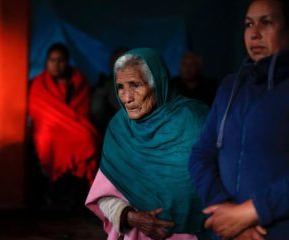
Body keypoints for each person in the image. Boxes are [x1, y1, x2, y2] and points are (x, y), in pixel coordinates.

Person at [189, 0, 289, 239]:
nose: (254, 33)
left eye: (266, 23)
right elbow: (200, 155)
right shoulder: (229, 86)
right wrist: (225, 213)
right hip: (226, 232)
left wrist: (251, 212)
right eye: (248, 24)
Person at [85, 48, 210, 240]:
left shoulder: (196, 121)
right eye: (120, 87)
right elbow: (103, 195)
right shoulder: (119, 129)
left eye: (135, 85)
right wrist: (130, 217)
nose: (126, 98)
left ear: (157, 83)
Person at [28, 43, 100, 187]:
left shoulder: (78, 80)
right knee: (47, 140)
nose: (56, 65)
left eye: (60, 60)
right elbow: (37, 111)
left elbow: (83, 109)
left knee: (87, 138)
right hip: (48, 126)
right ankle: (52, 181)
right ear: (46, 62)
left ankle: (83, 186)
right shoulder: (39, 83)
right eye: (52, 60)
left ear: (67, 62)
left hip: (75, 124)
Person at [91, 47, 128, 137]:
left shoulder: (143, 83)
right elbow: (96, 111)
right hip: (115, 131)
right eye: (119, 61)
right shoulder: (105, 86)